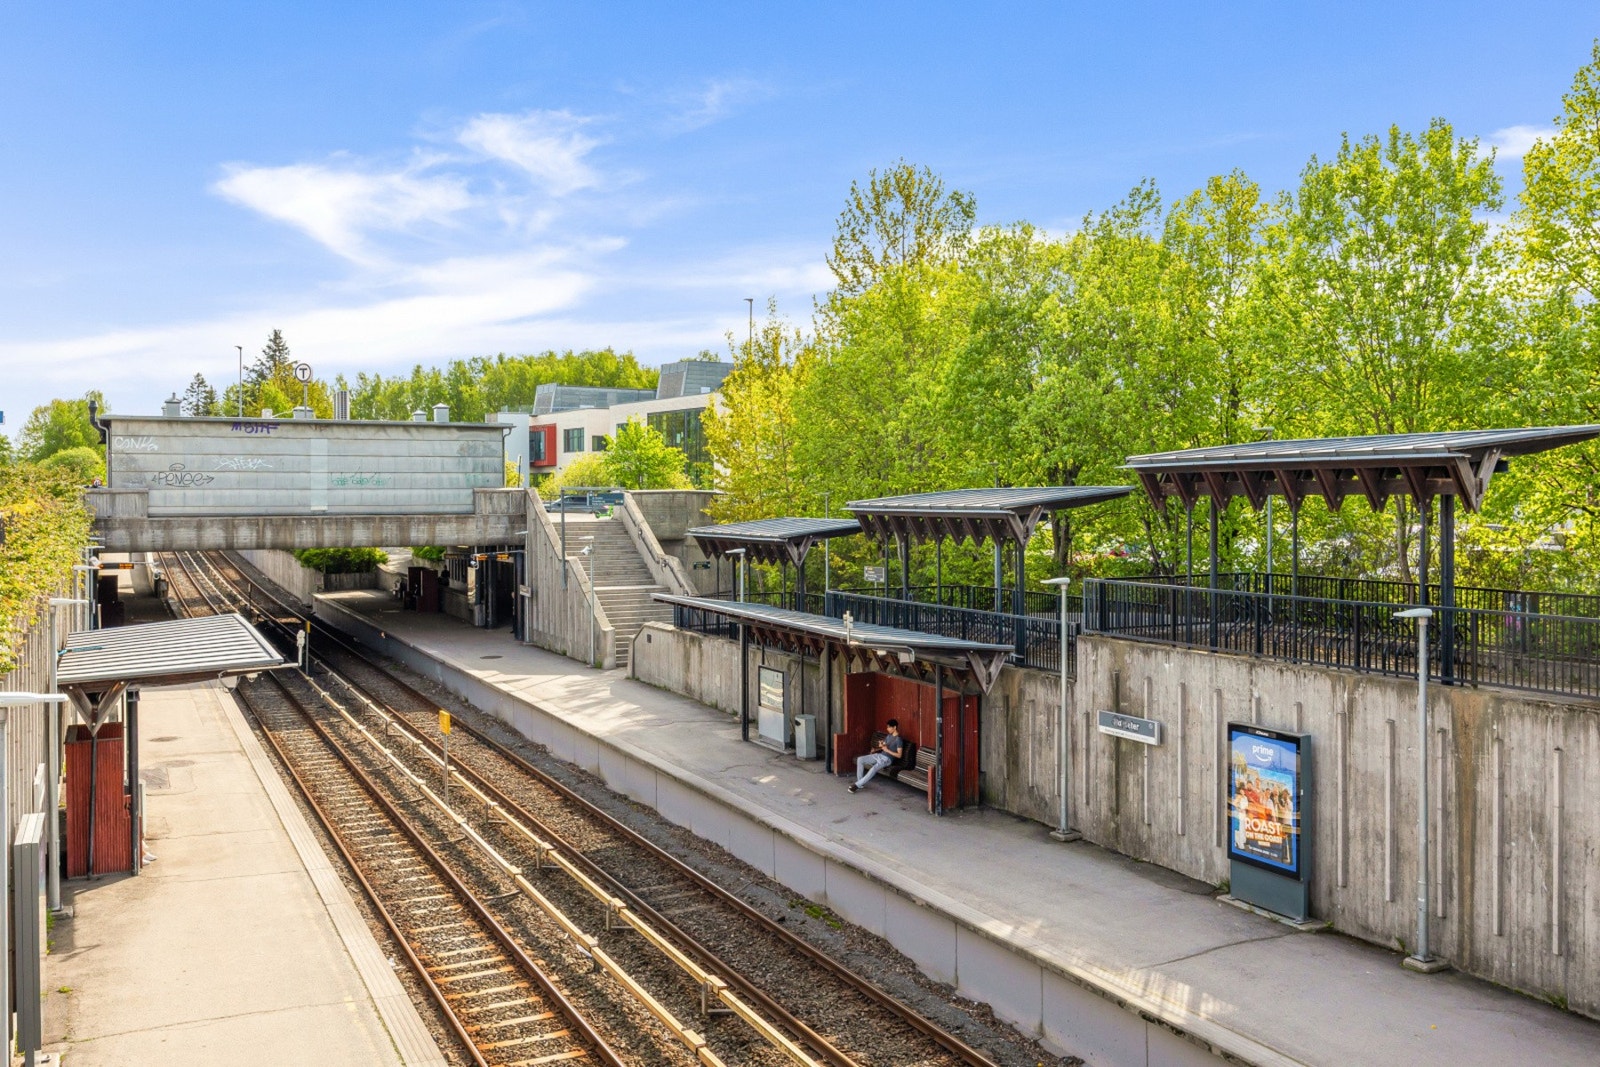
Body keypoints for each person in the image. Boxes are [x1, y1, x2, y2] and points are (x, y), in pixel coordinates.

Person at [849, 719, 904, 793]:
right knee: (860, 759)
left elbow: (899, 755)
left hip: (887, 759)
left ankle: (856, 785)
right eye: (887, 727)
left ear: (894, 727)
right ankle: (860, 783)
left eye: (889, 727)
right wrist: (881, 744)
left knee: (873, 768)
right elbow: (884, 745)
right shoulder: (889, 736)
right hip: (880, 755)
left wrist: (887, 750)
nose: (887, 729)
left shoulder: (898, 740)